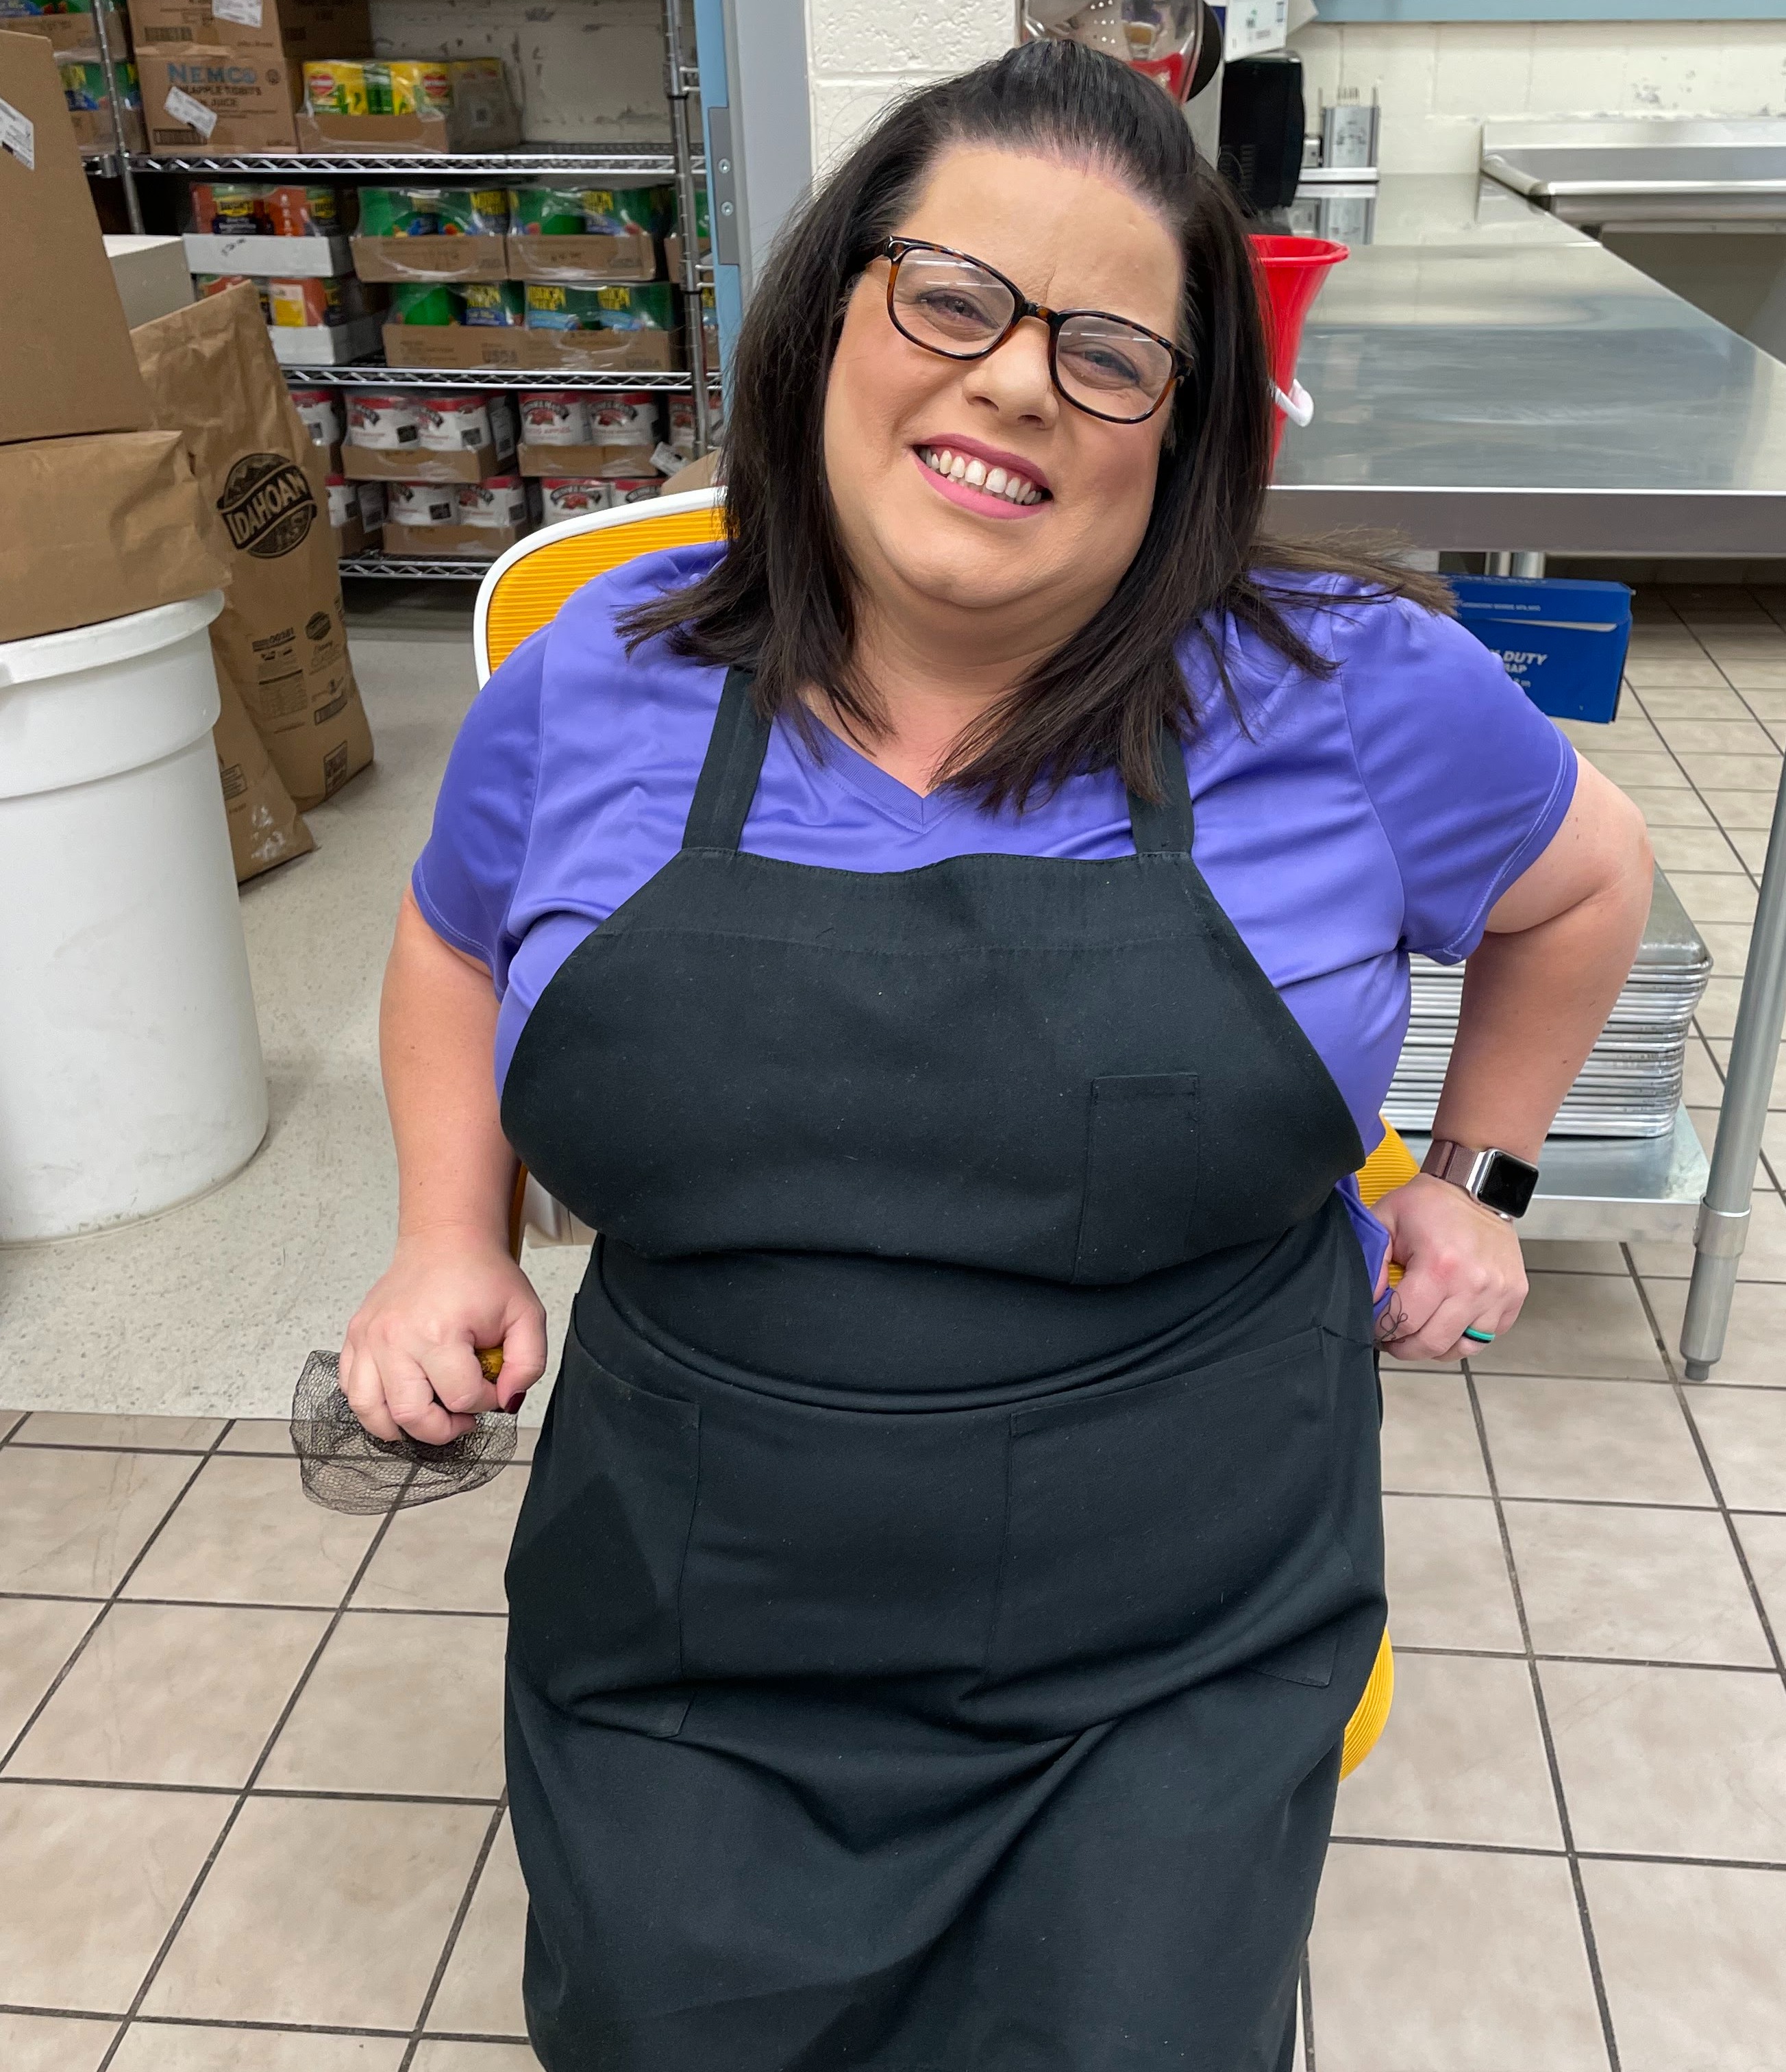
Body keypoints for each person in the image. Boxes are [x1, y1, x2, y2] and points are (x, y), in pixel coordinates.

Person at [342, 38, 1652, 2072]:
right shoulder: (600, 682)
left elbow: (1584, 888)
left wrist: (1482, 1184)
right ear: (830, 316)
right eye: (953, 298)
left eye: (1111, 350)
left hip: (1174, 1650)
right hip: (689, 1628)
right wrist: (450, 1238)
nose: (1018, 378)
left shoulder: (1350, 691)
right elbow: (446, 927)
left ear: (1183, 429)